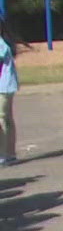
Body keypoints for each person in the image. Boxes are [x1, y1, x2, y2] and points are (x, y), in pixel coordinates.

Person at [0, 20, 19, 166]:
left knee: (2, 119)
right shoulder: (4, 42)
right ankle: (10, 153)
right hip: (8, 86)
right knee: (7, 119)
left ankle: (2, 154)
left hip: (3, 86)